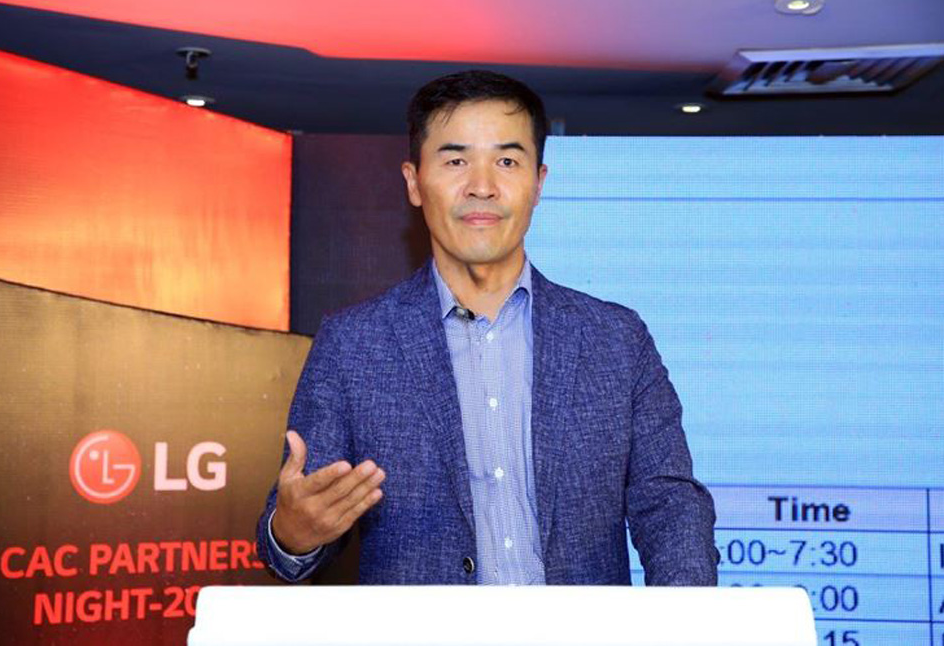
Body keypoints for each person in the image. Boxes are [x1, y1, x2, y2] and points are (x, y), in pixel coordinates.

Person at [256, 69, 719, 585]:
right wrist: (292, 534)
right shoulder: (354, 344)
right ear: (414, 182)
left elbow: (669, 504)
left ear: (538, 183)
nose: (482, 186)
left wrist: (686, 613)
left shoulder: (616, 340)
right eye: (456, 161)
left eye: (506, 161)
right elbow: (295, 525)